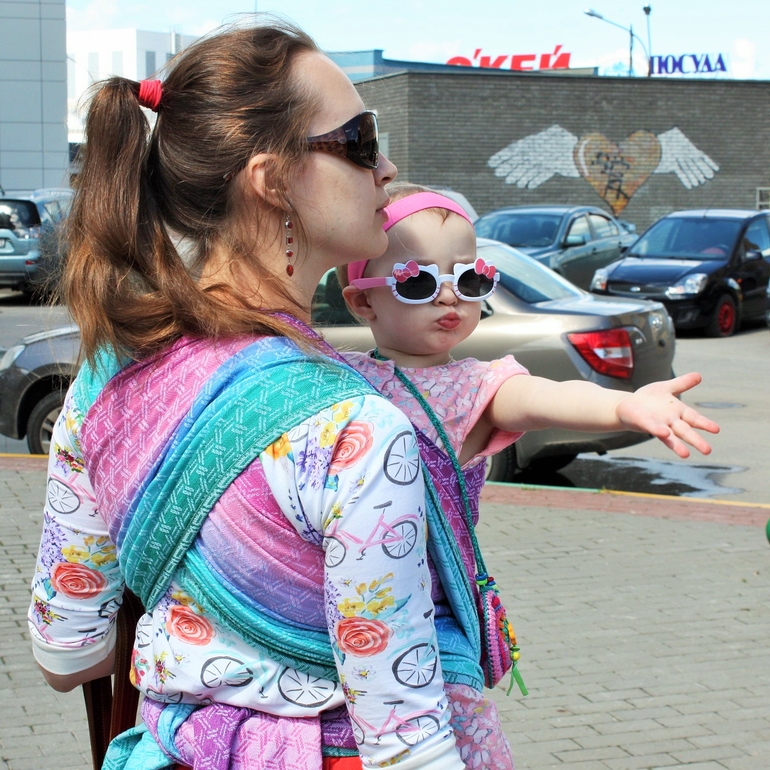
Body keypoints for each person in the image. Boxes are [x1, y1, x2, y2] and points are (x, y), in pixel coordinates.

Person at [27, 22, 477, 770]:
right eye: (362, 141)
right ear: (272, 181)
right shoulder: (354, 428)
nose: (388, 168)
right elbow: (405, 739)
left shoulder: (105, 384)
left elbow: (67, 654)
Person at [337, 185, 721, 745]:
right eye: (418, 282)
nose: (449, 298)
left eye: (470, 280)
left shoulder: (475, 386)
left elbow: (544, 396)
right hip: (334, 609)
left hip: (429, 620)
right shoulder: (333, 374)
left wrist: (623, 406)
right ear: (362, 302)